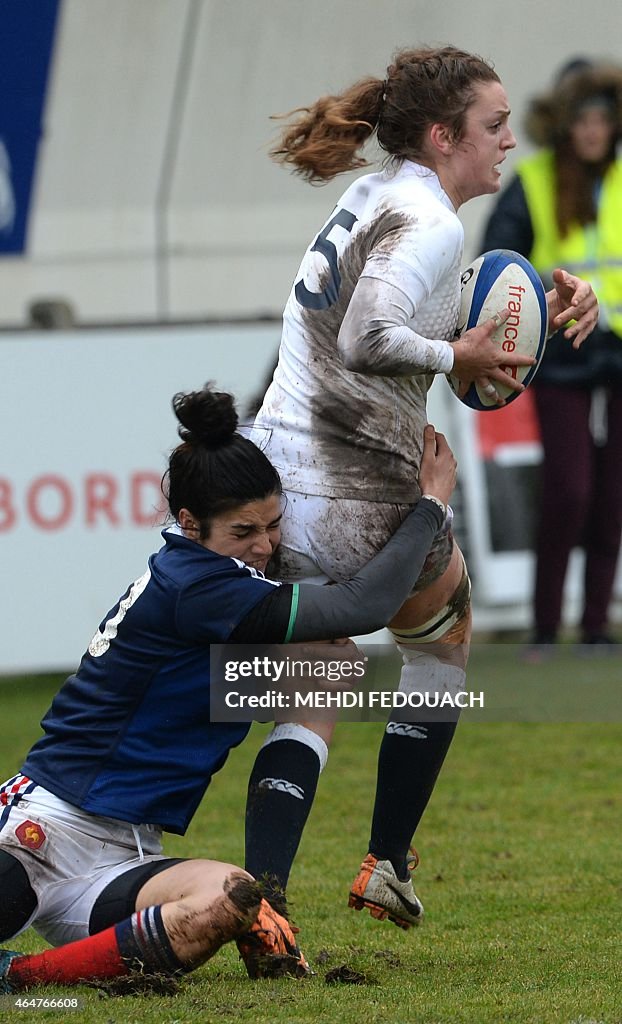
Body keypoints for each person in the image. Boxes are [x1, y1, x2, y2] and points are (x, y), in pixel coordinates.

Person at [244, 45, 599, 932]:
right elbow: (372, 335)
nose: (510, 141)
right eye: (492, 125)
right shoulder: (434, 223)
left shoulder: (379, 196)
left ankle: (262, 901)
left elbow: (397, 315)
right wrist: (462, 355)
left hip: (278, 493)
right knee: (445, 640)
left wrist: (533, 318)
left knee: (313, 683)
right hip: (361, 496)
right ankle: (387, 862)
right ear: (444, 136)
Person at [0, 382, 458, 993]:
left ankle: (26, 976)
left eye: (273, 525)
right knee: (330, 657)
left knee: (231, 897)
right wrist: (429, 506)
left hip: (128, 855)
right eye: (244, 531)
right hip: (44, 829)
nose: (265, 546)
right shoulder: (200, 586)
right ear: (190, 523)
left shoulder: (211, 576)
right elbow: (366, 603)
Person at [482, 58, 622, 659]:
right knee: (568, 491)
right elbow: (498, 260)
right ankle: (544, 630)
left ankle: (594, 628)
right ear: (564, 125)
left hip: (619, 353)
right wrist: (544, 298)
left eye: (603, 120)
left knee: (613, 495)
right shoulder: (534, 179)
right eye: (582, 119)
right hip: (561, 349)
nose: (593, 130)